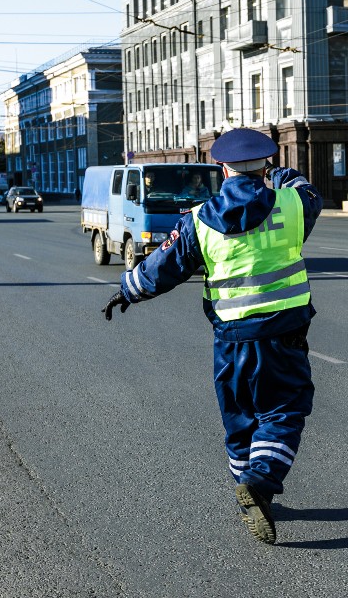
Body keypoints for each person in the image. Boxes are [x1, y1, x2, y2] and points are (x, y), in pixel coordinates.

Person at [103, 128, 322, 545]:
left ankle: (250, 491)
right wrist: (278, 174)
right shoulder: (294, 205)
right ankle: (260, 483)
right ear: (264, 167)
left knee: (239, 418)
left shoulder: (199, 220)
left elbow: (164, 267)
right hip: (283, 335)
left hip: (231, 339)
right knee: (284, 410)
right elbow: (303, 186)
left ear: (222, 169)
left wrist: (127, 290)